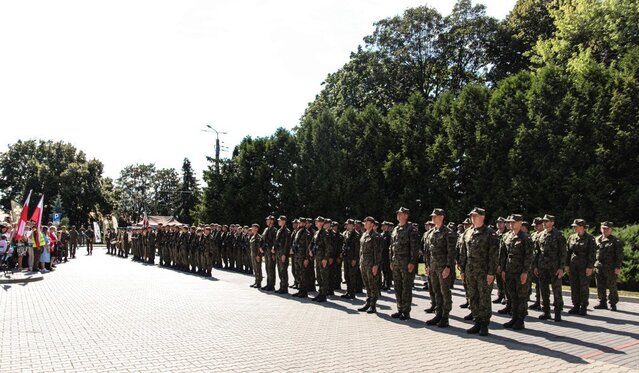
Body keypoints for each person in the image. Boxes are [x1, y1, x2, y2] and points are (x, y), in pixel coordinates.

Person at [459, 207, 499, 336]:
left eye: (475, 216)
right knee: (473, 297)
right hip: (470, 271)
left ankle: (484, 324)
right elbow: (463, 252)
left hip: (484, 272)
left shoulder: (490, 233)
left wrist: (491, 273)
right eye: (471, 216)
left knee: (484, 298)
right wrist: (463, 269)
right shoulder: (468, 232)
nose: (472, 218)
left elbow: (493, 255)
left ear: (482, 217)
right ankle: (476, 321)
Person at [423, 209, 456, 328]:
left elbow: (451, 252)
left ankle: (445, 317)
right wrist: (427, 266)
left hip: (443, 268)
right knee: (436, 291)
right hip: (433, 267)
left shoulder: (448, 232)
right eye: (432, 216)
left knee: (444, 292)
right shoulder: (430, 233)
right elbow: (427, 251)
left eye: (435, 216)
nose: (433, 218)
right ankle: (438, 313)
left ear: (441, 217)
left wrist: (448, 267)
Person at [500, 215, 533, 330]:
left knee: (522, 297)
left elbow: (528, 257)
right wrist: (503, 269)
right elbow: (503, 255)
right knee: (512, 296)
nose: (511, 224)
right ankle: (514, 317)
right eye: (509, 222)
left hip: (520, 272)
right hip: (509, 271)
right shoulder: (506, 236)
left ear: (520, 223)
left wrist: (525, 272)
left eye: (513, 222)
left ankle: (520, 320)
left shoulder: (525, 238)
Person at [534, 214, 567, 322]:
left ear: (552, 222)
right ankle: (546, 312)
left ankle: (557, 313)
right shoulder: (540, 235)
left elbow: (563, 253)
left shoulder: (559, 235)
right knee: (544, 290)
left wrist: (561, 267)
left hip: (554, 267)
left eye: (547, 221)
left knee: (556, 291)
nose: (544, 223)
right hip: (542, 267)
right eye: (543, 221)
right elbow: (537, 252)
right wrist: (535, 266)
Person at [390, 207, 420, 320]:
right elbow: (391, 247)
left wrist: (412, 262)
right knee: (397, 287)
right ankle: (400, 309)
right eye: (398, 214)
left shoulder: (411, 229)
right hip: (396, 262)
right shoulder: (396, 229)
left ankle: (406, 312)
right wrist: (391, 260)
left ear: (406, 216)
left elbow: (414, 248)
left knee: (406, 287)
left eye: (401, 214)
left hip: (406, 263)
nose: (398, 215)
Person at [566, 219, 596, 316]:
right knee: (574, 286)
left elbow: (592, 254)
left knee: (583, 286)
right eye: (574, 226)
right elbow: (568, 252)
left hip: (584, 266)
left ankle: (583, 306)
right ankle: (575, 305)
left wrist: (590, 267)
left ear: (582, 227)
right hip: (573, 265)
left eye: (576, 226)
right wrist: (566, 265)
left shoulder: (590, 238)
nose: (574, 228)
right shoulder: (572, 237)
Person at [594, 221, 623, 311]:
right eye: (603, 228)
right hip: (599, 266)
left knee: (612, 286)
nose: (605, 230)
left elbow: (619, 255)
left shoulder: (615, 241)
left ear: (611, 230)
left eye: (607, 229)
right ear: (600, 229)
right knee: (600, 285)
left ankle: (613, 304)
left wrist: (618, 267)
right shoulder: (597, 239)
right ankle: (602, 302)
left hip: (610, 267)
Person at [357, 216, 382, 314]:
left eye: (367, 223)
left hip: (371, 264)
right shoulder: (364, 235)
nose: (365, 224)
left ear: (372, 224)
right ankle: (367, 302)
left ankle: (373, 305)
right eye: (365, 222)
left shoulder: (375, 236)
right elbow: (361, 251)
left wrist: (376, 265)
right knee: (366, 284)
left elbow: (378, 252)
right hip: (363, 263)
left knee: (373, 284)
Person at [311, 216, 333, 303]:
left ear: (322, 223)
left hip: (322, 258)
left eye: (318, 222)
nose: (316, 223)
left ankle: (323, 295)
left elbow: (328, 247)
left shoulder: (325, 233)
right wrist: (311, 250)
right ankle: (320, 293)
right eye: (316, 221)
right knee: (319, 277)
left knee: (324, 277)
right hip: (317, 257)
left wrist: (325, 258)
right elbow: (313, 243)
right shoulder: (317, 233)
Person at [274, 216, 291, 294]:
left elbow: (287, 244)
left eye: (280, 220)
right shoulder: (279, 230)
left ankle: (284, 288)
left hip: (282, 254)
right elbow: (276, 241)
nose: (278, 222)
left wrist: (284, 254)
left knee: (283, 270)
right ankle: (281, 286)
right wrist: (274, 249)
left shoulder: (287, 231)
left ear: (284, 221)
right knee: (280, 271)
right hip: (278, 253)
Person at [262, 216, 277, 291]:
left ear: (271, 221)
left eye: (268, 220)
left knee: (271, 268)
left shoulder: (274, 230)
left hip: (271, 252)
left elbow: (275, 242)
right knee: (267, 268)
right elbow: (263, 239)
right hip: (266, 251)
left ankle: (271, 285)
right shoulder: (266, 229)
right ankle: (268, 283)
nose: (266, 221)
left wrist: (274, 254)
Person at [249, 224, 263, 289]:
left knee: (258, 269)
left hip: (257, 255)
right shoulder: (252, 236)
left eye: (253, 228)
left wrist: (258, 255)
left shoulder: (258, 237)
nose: (252, 229)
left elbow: (259, 248)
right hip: (253, 255)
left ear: (257, 229)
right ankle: (256, 281)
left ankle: (259, 282)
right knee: (255, 268)